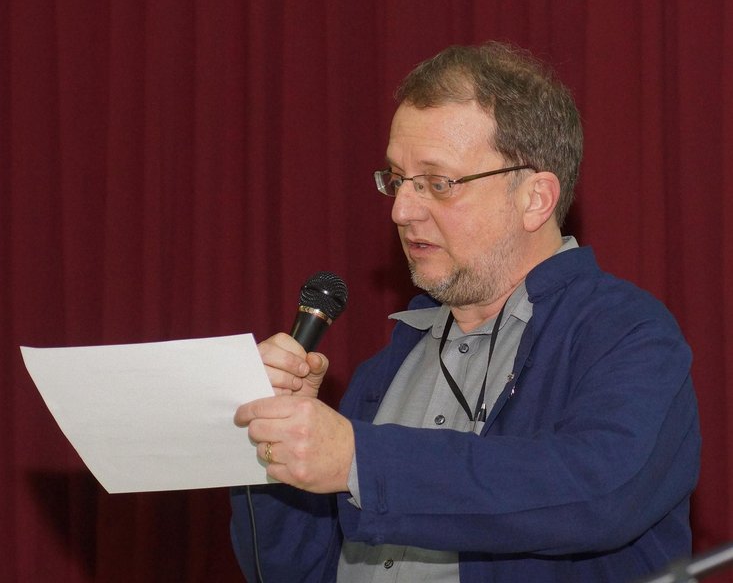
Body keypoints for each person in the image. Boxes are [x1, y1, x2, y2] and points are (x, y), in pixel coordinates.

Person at [230, 41, 700, 582]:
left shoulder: (628, 334)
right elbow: (294, 570)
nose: (402, 210)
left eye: (438, 183)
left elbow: (598, 492)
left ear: (535, 199)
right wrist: (273, 445)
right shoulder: (383, 372)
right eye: (397, 180)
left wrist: (362, 460)